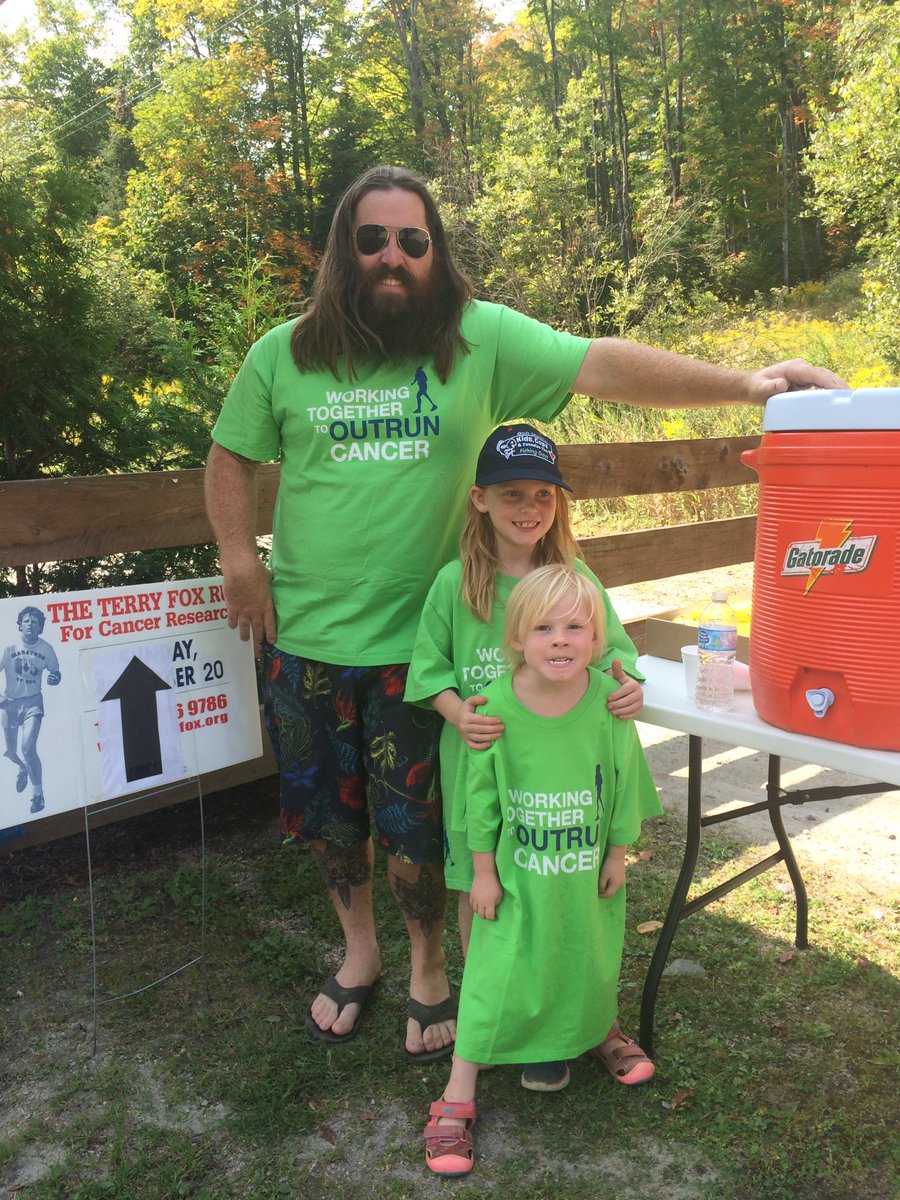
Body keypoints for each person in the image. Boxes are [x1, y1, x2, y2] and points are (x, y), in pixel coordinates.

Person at [203, 163, 846, 1061]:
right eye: (374, 239)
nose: (394, 256)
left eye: (414, 241)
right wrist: (240, 562)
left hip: (416, 649)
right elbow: (230, 455)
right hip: (304, 638)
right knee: (328, 823)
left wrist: (748, 386)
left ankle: (429, 968)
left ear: (437, 253)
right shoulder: (286, 351)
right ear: (344, 251)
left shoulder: (477, 339)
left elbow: (603, 363)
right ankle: (359, 955)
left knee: (419, 829)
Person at [422, 565, 663, 1176]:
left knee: (589, 950)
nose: (561, 639)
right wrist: (482, 872)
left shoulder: (609, 706)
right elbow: (482, 799)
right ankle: (456, 1098)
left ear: (599, 638)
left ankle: (597, 1030)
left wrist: (616, 852)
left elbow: (625, 779)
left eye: (576, 626)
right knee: (492, 974)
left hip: (585, 870)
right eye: (545, 627)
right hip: (516, 877)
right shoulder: (493, 708)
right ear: (517, 639)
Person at [1, 606, 61, 814]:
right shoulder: (9, 648)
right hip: (10, 704)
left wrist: (55, 678)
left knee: (28, 748)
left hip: (33, 703)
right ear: (20, 625)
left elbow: (55, 672)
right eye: (26, 621)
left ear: (40, 627)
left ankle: (38, 794)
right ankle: (22, 768)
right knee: (11, 751)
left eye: (35, 622)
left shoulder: (47, 649)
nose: (30, 624)